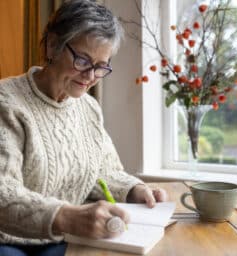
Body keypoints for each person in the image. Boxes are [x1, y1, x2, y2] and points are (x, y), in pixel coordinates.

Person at [0, 0, 167, 255]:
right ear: (53, 45)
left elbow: (101, 171)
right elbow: (3, 193)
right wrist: (67, 216)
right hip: (9, 240)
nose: (90, 76)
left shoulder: (88, 107)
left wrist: (135, 189)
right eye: (82, 60)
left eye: (101, 66)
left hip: (67, 237)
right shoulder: (7, 102)